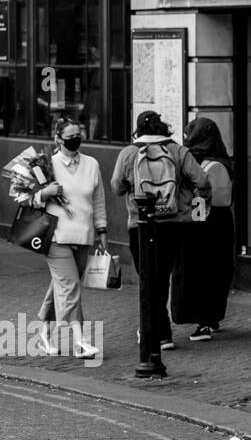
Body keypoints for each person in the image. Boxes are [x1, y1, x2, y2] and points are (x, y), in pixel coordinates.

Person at [110, 111, 209, 351]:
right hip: (172, 224)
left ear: (138, 129)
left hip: (140, 225)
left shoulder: (129, 152)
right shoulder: (177, 150)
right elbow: (202, 180)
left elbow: (116, 187)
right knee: (162, 277)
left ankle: (156, 332)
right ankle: (160, 332)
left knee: (147, 278)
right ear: (162, 127)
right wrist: (193, 203)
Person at [13, 118, 106, 359]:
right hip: (56, 237)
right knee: (71, 286)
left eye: (78, 134)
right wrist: (45, 192)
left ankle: (43, 334)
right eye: (70, 136)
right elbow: (27, 200)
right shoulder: (46, 165)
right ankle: (80, 342)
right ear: (57, 139)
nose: (75, 139)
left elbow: (98, 199)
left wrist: (102, 229)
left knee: (61, 285)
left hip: (84, 235)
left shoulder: (92, 164)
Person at [172, 117, 235, 341]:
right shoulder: (217, 161)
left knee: (201, 270)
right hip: (216, 221)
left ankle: (203, 319)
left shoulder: (204, 164)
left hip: (204, 221)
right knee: (215, 271)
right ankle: (209, 317)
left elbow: (208, 199)